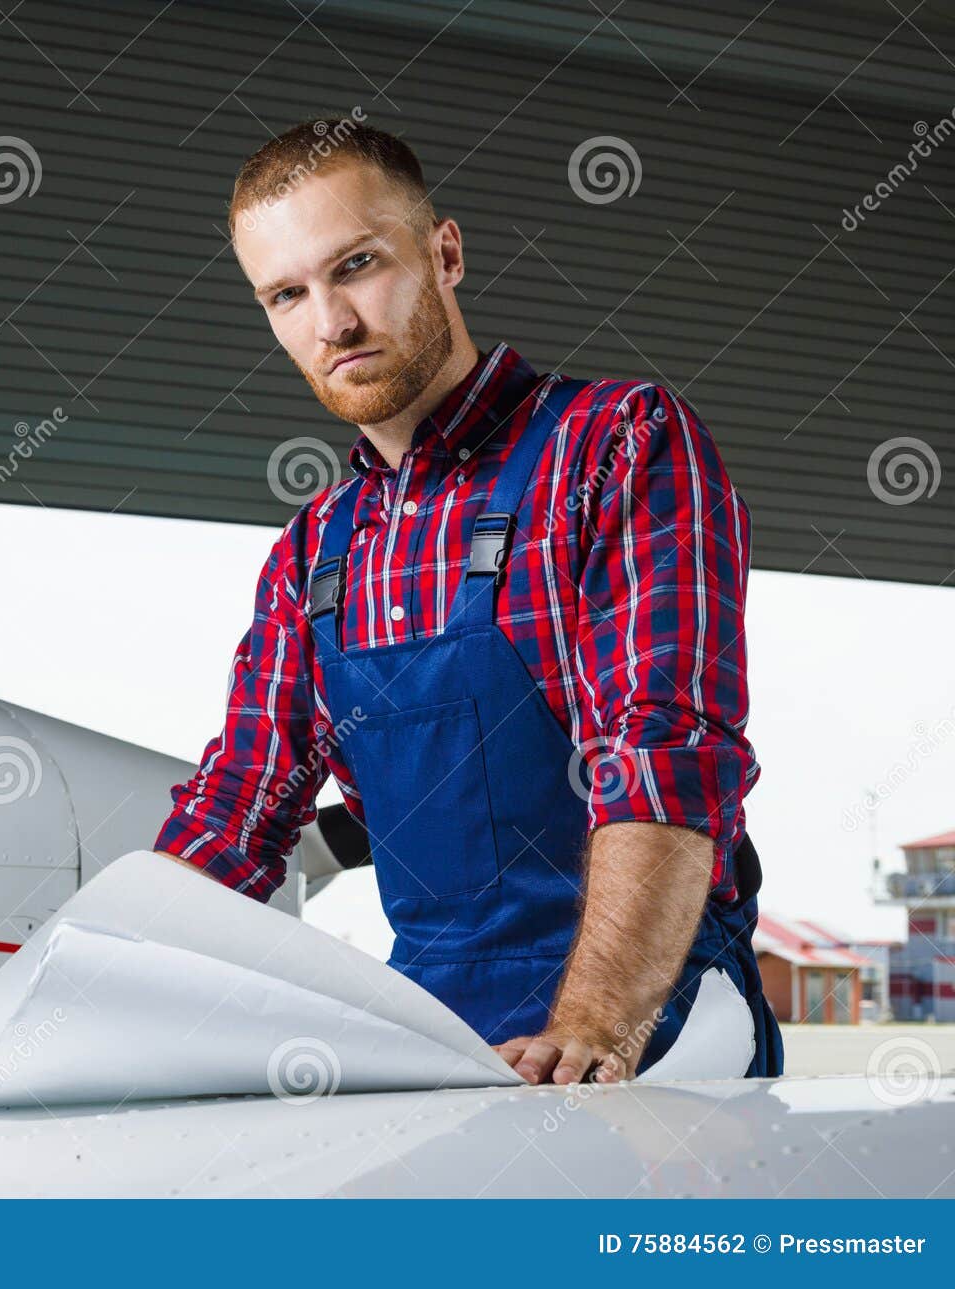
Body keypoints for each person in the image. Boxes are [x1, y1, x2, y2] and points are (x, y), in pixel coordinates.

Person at [153, 118, 782, 1085]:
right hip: (437, 1026)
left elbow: (663, 753)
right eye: (287, 294)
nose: (331, 324)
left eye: (356, 265)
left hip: (653, 1017)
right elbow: (235, 811)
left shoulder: (615, 444)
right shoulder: (315, 550)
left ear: (444, 252)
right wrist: (68, 994)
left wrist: (598, 1029)